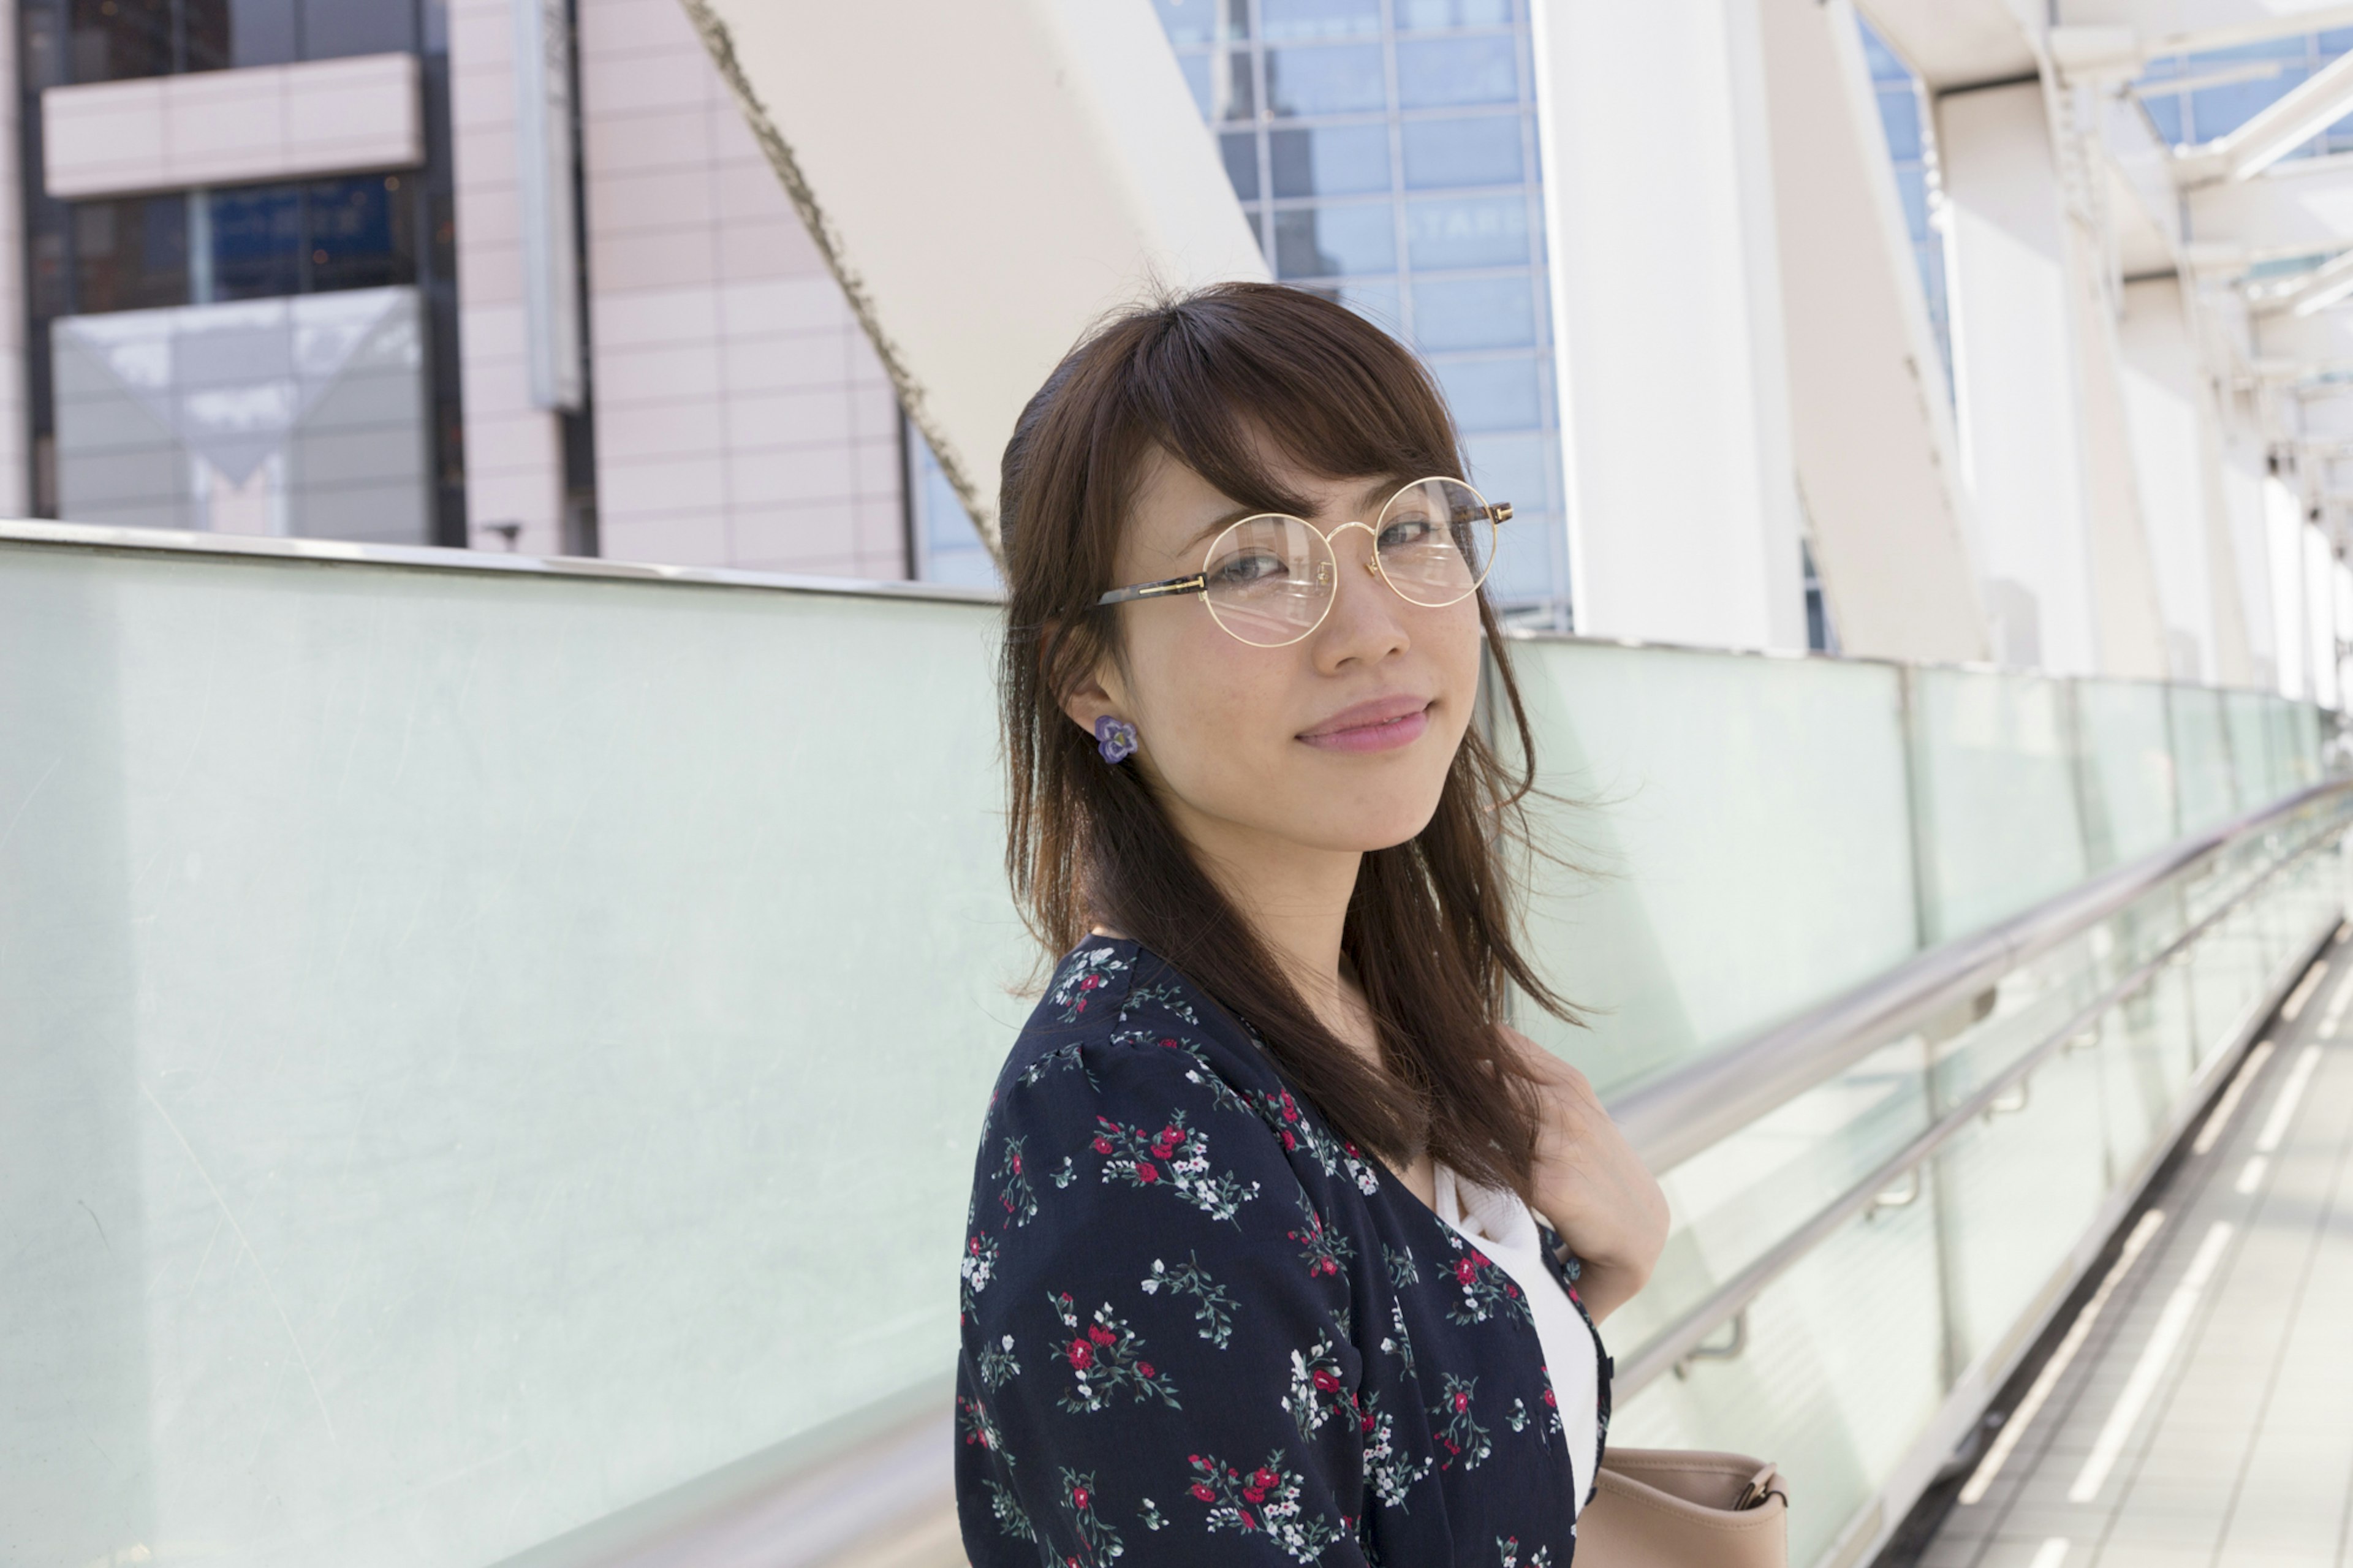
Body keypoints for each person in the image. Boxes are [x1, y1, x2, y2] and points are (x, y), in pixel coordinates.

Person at [954, 282, 1670, 1567]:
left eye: (1407, 528)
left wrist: (1589, 1273)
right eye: (1251, 565)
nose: (1372, 628)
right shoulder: (1130, 1120)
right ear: (1085, 674)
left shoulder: (1362, 1007)